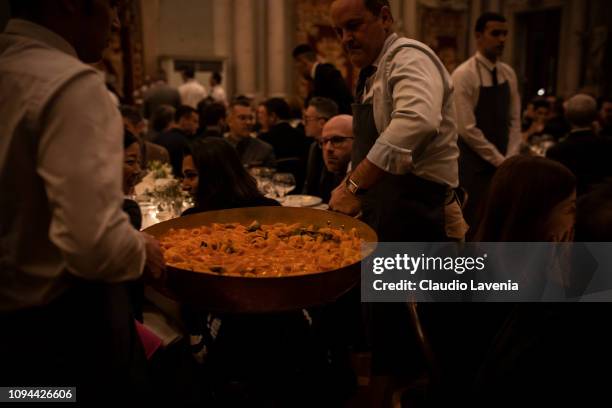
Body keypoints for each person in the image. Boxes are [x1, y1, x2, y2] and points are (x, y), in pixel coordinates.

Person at [0, 0, 164, 401]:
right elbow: (93, 246)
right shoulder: (70, 84)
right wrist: (140, 248)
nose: (113, 20)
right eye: (110, 5)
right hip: (55, 339)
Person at [329, 1, 465, 404]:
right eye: (339, 31)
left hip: (418, 216)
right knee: (386, 329)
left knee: (420, 335)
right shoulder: (373, 72)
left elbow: (417, 121)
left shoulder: (409, 57)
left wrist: (354, 186)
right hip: (387, 214)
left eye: (354, 25)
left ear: (385, 16)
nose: (346, 38)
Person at [452, 12, 521, 231]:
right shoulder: (464, 74)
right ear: (478, 36)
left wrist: (511, 157)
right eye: (495, 33)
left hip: (504, 164)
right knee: (473, 225)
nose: (502, 39)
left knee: (500, 225)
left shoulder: (508, 73)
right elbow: (466, 129)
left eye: (505, 34)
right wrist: (500, 161)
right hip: (474, 168)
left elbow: (515, 120)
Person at [546, 94, 612, 195]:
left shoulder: (556, 151)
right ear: (595, 116)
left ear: (567, 116)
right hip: (601, 205)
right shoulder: (608, 145)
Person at [293, 43, 354, 114]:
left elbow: (342, 102)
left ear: (304, 62)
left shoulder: (326, 74)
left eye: (297, 67)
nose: (298, 72)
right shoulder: (319, 75)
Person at [302, 97, 340, 198]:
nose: (303, 123)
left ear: (322, 123)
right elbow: (308, 185)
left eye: (307, 119)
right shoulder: (314, 146)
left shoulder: (338, 150)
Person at [225, 98, 276, 167]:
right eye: (242, 118)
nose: (248, 122)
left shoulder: (264, 150)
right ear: (229, 121)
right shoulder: (219, 150)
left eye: (251, 118)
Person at [315, 115, 354, 203]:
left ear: (357, 142)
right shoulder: (327, 174)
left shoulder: (366, 178)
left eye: (337, 140)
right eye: (324, 141)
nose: (328, 148)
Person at [153, 105, 198, 177]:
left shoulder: (158, 138)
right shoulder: (184, 142)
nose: (197, 126)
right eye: (195, 121)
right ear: (183, 120)